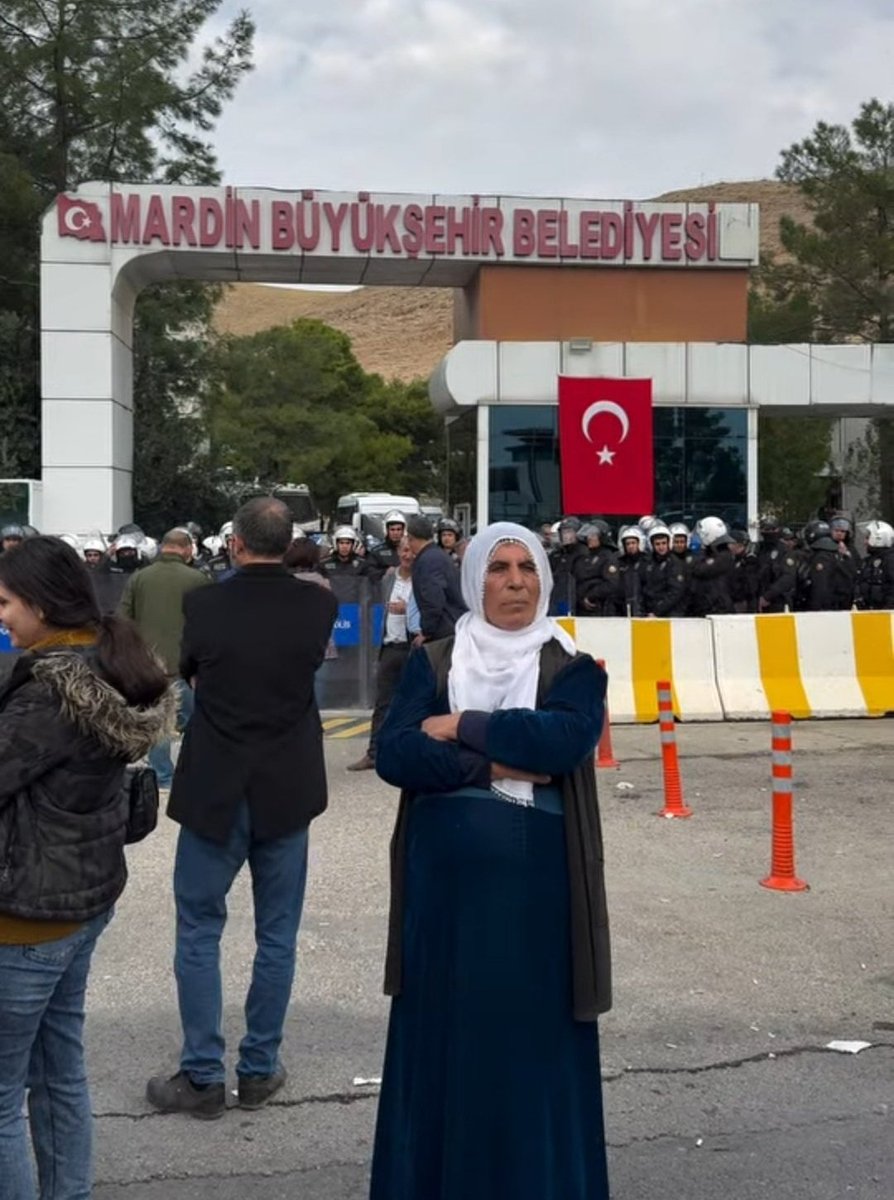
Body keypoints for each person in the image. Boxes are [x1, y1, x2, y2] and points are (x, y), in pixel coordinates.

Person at [370, 522, 610, 1200]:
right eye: (499, 569)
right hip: (443, 896)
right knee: (449, 1044)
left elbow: (562, 738)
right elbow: (397, 753)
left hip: (536, 899)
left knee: (526, 1048)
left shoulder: (573, 668)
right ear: (476, 581)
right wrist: (496, 761)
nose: (514, 581)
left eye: (526, 568)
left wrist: (463, 725)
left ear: (544, 579)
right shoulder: (437, 661)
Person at [146, 498, 337, 1119]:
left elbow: (192, 669)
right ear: (288, 545)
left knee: (199, 929)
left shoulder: (204, 604)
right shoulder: (318, 603)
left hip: (216, 786)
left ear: (234, 544)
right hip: (287, 785)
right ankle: (258, 1069)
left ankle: (202, 1075)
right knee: (276, 935)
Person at [0, 536, 173, 1200]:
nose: (3, 617)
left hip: (27, 917)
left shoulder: (50, 694)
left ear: (42, 604)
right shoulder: (109, 660)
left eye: (7, 603)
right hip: (83, 900)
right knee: (59, 1071)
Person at [119, 528, 211, 789]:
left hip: (149, 665)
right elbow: (209, 622)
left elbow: (123, 619)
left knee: (159, 722)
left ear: (163, 548)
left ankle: (163, 776)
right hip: (188, 665)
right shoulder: (198, 579)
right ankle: (194, 774)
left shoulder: (139, 578)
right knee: (196, 721)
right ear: (188, 549)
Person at [348, 535, 415, 772]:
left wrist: (408, 610)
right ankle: (374, 753)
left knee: (413, 703)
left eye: (411, 551)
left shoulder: (422, 580)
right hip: (389, 646)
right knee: (382, 703)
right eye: (403, 550)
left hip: (413, 647)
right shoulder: (388, 579)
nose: (407, 555)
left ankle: (410, 754)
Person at [283, 537, 337, 704]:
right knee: (315, 705)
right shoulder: (323, 582)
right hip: (321, 648)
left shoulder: (284, 582)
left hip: (290, 649)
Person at [405, 514, 466, 644]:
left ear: (411, 538)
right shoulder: (437, 555)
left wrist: (427, 632)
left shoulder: (428, 560)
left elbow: (433, 600)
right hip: (452, 628)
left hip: (442, 636)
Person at [856, 520, 894, 609]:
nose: (865, 542)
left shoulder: (890, 560)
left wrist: (887, 610)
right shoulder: (868, 561)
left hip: (885, 616)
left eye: (868, 538)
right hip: (870, 613)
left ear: (878, 538)